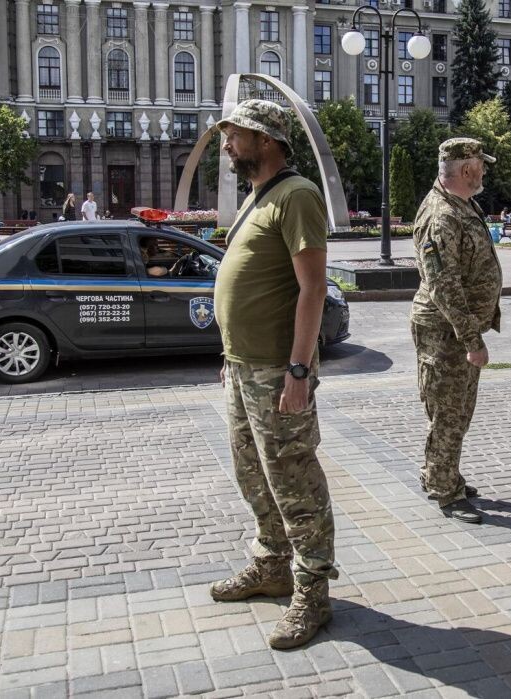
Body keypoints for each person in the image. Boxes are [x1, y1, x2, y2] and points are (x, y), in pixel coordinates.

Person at [208, 99, 336, 650]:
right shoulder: (258, 198)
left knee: (294, 481)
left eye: (233, 135)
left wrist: (300, 370)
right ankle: (272, 566)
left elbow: (313, 289)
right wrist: (229, 358)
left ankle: (312, 591)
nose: (226, 145)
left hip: (278, 372)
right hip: (242, 368)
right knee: (252, 476)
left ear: (265, 138)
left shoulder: (297, 195)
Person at [410, 138, 503, 525]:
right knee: (448, 411)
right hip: (445, 332)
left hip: (457, 329)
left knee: (457, 410)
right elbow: (442, 284)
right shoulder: (442, 215)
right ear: (466, 169)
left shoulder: (462, 205)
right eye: (481, 164)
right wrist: (471, 339)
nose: (484, 170)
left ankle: (441, 472)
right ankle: (446, 490)